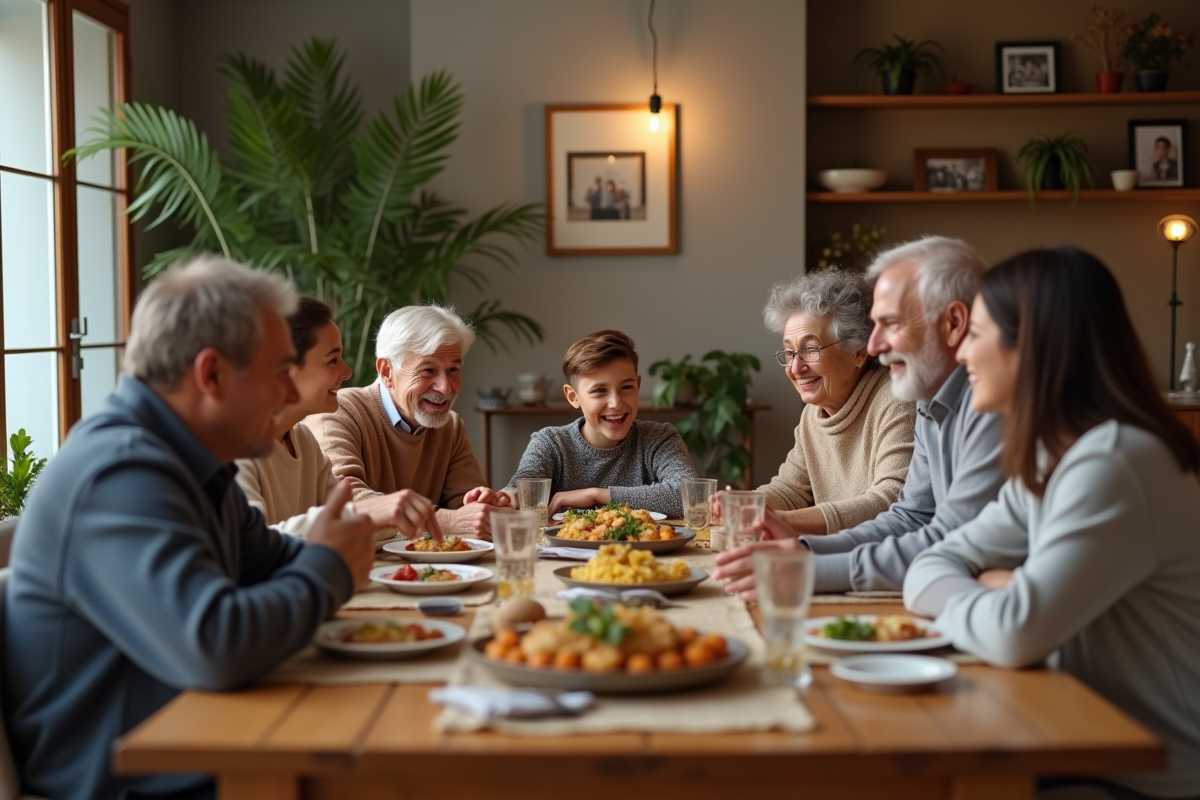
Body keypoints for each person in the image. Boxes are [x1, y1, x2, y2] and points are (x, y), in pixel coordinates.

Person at [4, 256, 381, 800]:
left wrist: (328, 551)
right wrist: (327, 564)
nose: (286, 394)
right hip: (136, 780)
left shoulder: (190, 461)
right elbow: (216, 645)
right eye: (279, 372)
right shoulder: (119, 473)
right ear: (212, 374)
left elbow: (269, 561)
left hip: (211, 741)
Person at [904, 246, 1200, 799]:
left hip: (1149, 776)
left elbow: (1015, 634)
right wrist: (1004, 589)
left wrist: (1008, 593)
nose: (962, 352)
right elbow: (928, 563)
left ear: (1030, 346)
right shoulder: (1053, 461)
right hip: (1079, 740)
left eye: (978, 333)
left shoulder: (1114, 462)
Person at [714, 236, 1006, 598]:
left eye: (892, 323)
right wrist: (803, 550)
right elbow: (910, 518)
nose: (875, 345)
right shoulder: (930, 405)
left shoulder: (992, 407)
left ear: (954, 323)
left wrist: (809, 568)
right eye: (789, 352)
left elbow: (947, 538)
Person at [235, 297, 442, 540]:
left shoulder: (303, 441)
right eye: (332, 360)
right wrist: (365, 513)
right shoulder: (231, 447)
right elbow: (249, 545)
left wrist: (385, 513)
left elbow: (347, 521)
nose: (347, 371)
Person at [310, 304, 510, 537]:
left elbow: (464, 506)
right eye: (428, 370)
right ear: (386, 371)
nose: (446, 388)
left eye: (453, 369)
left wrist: (484, 505)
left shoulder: (450, 426)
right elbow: (344, 499)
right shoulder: (339, 413)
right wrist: (446, 522)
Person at [749, 269, 916, 534]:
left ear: (858, 352)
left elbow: (890, 500)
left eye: (810, 349)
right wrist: (745, 505)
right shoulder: (813, 415)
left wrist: (784, 521)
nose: (795, 368)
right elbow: (790, 490)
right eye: (790, 352)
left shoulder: (897, 401)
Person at [504, 329, 696, 517]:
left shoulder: (659, 438)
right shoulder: (551, 443)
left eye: (626, 387)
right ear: (573, 396)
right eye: (599, 391)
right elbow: (521, 489)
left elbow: (691, 495)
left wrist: (596, 495)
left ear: (638, 385)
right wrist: (502, 498)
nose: (616, 403)